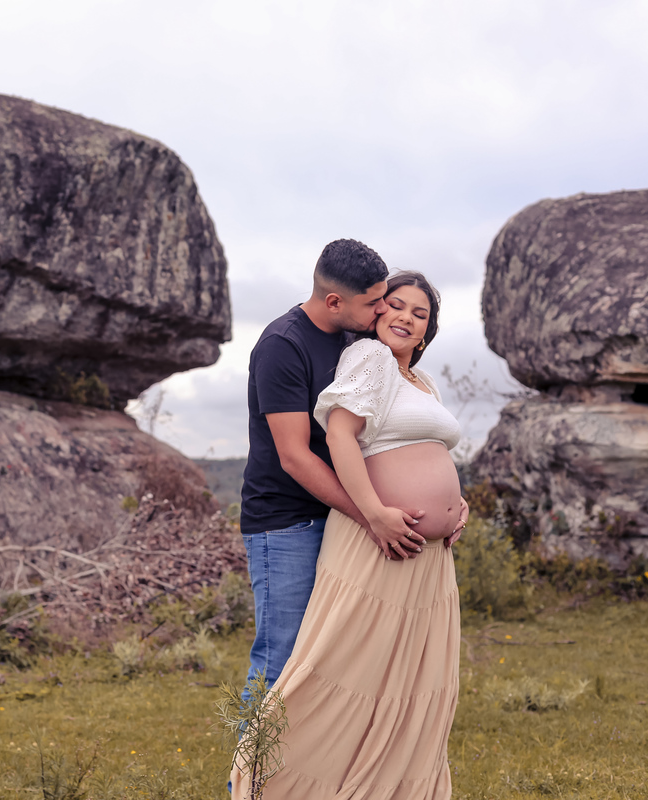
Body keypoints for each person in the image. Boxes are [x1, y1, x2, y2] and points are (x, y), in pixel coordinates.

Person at [232, 271, 469, 800]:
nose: (405, 317)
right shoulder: (367, 357)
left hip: (426, 556)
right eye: (396, 305)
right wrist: (375, 514)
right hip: (371, 537)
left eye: (420, 313)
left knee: (402, 676)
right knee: (325, 666)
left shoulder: (421, 381)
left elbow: (428, 451)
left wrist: (455, 504)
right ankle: (260, 788)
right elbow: (338, 436)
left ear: (428, 330)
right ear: (376, 312)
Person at [239, 240, 424, 705]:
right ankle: (250, 758)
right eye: (374, 302)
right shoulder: (283, 345)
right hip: (286, 524)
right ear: (335, 301)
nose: (382, 309)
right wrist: (370, 516)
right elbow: (295, 456)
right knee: (281, 659)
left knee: (330, 660)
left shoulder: (355, 341)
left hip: (338, 518)